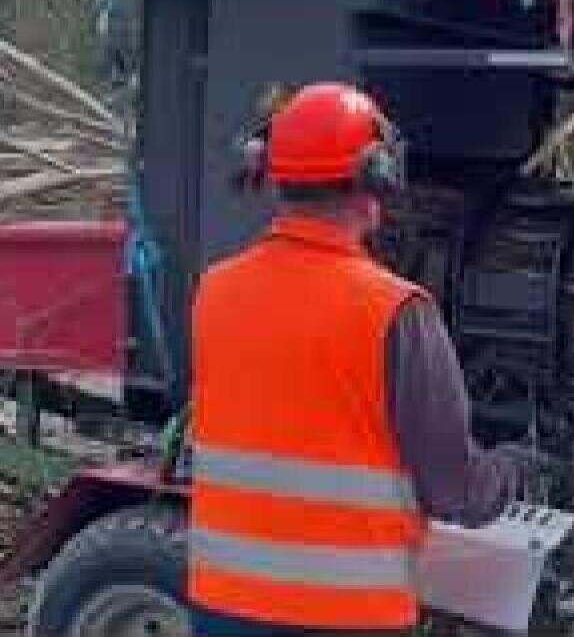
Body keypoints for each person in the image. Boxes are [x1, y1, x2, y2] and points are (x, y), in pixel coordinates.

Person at [186, 82, 544, 637]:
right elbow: (456, 492)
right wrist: (523, 467)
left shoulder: (215, 291)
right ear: (376, 177)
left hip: (224, 606)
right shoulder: (397, 312)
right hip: (346, 617)